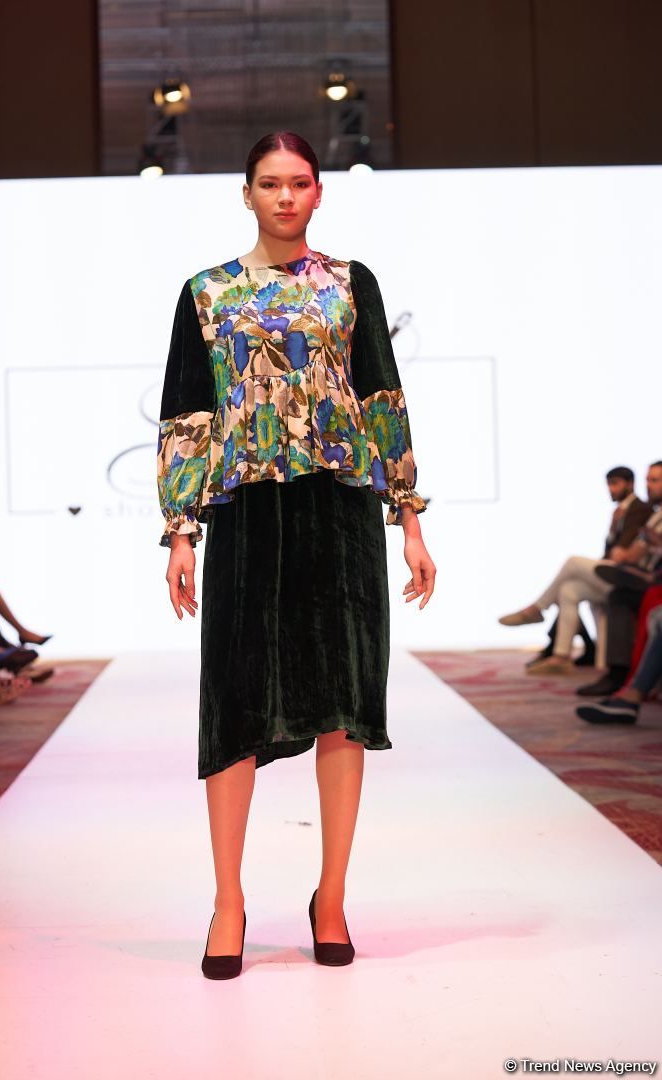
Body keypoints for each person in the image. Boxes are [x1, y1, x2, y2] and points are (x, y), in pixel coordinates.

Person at [156, 131, 436, 979]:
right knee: (233, 700)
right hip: (246, 511)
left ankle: (333, 896)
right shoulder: (207, 292)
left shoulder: (351, 284)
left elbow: (382, 399)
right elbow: (187, 412)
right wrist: (181, 529)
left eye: (300, 182)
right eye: (270, 183)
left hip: (339, 507)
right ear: (245, 193)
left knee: (345, 701)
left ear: (319, 192)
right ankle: (228, 902)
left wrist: (409, 519)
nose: (285, 197)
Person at [498, 462, 661, 675]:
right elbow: (622, 549)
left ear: (629, 484)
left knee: (573, 562)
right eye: (648, 479)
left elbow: (626, 553)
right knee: (569, 590)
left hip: (631, 575)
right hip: (619, 569)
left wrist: (631, 547)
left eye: (654, 480)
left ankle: (537, 609)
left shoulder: (641, 509)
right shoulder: (629, 512)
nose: (611, 489)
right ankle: (560, 656)